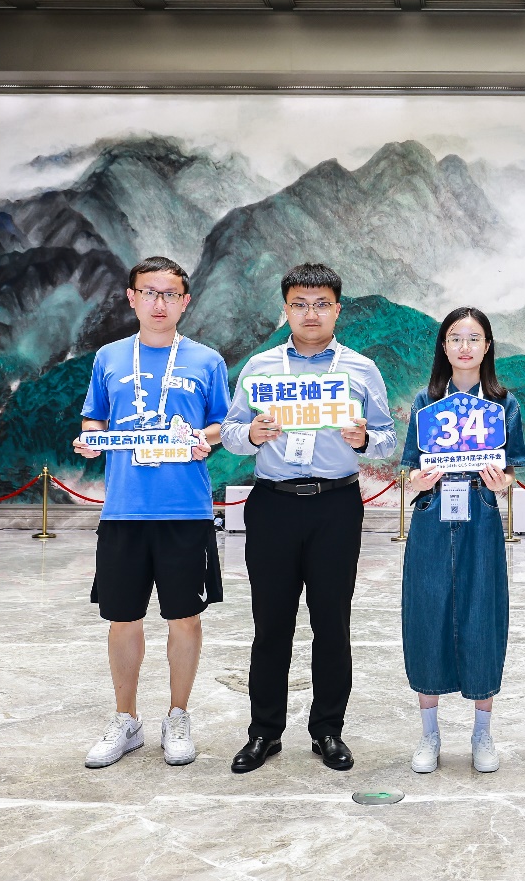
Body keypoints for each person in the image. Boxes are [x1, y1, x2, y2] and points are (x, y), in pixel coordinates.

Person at [220, 263, 396, 774]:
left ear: (338, 310)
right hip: (273, 503)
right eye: (300, 304)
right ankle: (264, 732)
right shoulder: (261, 368)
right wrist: (251, 435)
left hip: (335, 506)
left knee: (332, 623)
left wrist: (365, 439)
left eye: (321, 304)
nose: (311, 313)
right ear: (286, 309)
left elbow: (388, 438)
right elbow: (229, 432)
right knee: (270, 623)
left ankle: (328, 730)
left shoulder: (361, 370)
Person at [73, 256, 230, 769]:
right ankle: (126, 719)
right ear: (131, 298)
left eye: (170, 294)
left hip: (186, 510)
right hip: (124, 511)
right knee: (122, 618)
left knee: (184, 616)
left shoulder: (207, 361)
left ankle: (178, 716)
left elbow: (222, 425)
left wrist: (203, 439)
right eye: (149, 292)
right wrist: (92, 441)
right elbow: (95, 419)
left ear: (185, 301)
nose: (159, 303)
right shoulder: (109, 358)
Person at [401, 308, 525, 775]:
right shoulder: (426, 401)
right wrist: (418, 480)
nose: (465, 346)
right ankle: (429, 733)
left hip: (481, 513)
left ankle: (482, 733)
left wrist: (500, 483)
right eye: (456, 337)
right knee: (426, 612)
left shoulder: (504, 404)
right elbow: (409, 468)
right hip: (433, 513)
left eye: (474, 338)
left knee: (482, 613)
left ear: (487, 346)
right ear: (444, 346)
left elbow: (511, 470)